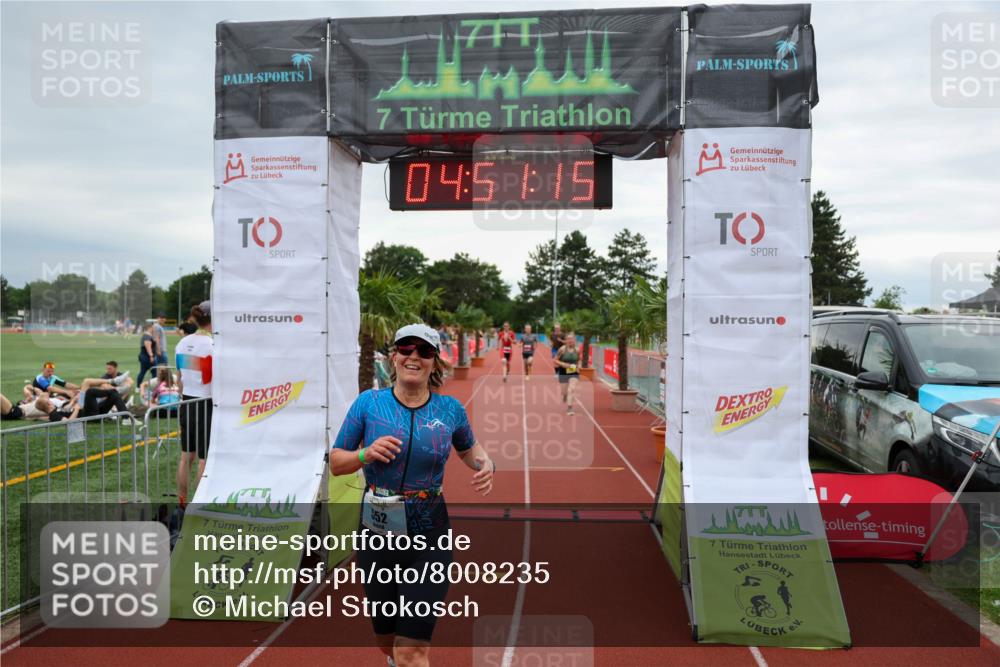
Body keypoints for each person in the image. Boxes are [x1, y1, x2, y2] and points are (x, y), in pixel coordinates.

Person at [330, 323, 495, 667]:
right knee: (387, 643)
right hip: (377, 536)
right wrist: (365, 454)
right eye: (406, 349)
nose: (413, 357)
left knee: (412, 650)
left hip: (430, 533)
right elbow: (336, 462)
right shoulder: (368, 404)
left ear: (435, 361)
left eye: (424, 351)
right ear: (393, 357)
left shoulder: (450, 410)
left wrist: (485, 463)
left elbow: (469, 449)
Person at [175, 301, 213, 508]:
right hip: (205, 403)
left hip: (186, 402)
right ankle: (199, 504)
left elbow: (180, 378)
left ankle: (182, 502)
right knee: (203, 459)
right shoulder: (212, 345)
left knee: (185, 457)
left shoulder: (182, 343)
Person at [554, 330, 581, 415]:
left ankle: (570, 408)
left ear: (574, 340)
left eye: (572, 339)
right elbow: (555, 360)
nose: (570, 341)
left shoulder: (577, 350)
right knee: (564, 392)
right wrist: (563, 364)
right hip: (563, 372)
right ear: (566, 340)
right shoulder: (562, 349)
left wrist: (578, 366)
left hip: (573, 372)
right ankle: (565, 396)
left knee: (571, 389)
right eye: (568, 339)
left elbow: (579, 360)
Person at [137, 321, 159, 386]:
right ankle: (153, 386)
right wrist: (151, 356)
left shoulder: (148, 335)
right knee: (154, 372)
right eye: (153, 327)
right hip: (147, 357)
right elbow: (147, 345)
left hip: (144, 357)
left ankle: (138, 387)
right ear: (150, 327)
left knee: (143, 372)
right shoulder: (147, 336)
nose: (154, 329)